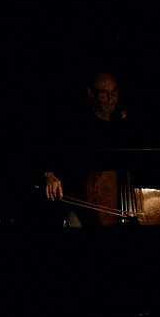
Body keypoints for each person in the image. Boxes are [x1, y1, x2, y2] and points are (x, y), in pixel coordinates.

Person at [42, 69, 137, 228]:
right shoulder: (76, 126)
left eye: (114, 92)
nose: (110, 99)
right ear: (90, 93)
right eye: (103, 94)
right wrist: (49, 174)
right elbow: (50, 153)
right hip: (84, 208)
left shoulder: (123, 124)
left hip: (121, 209)